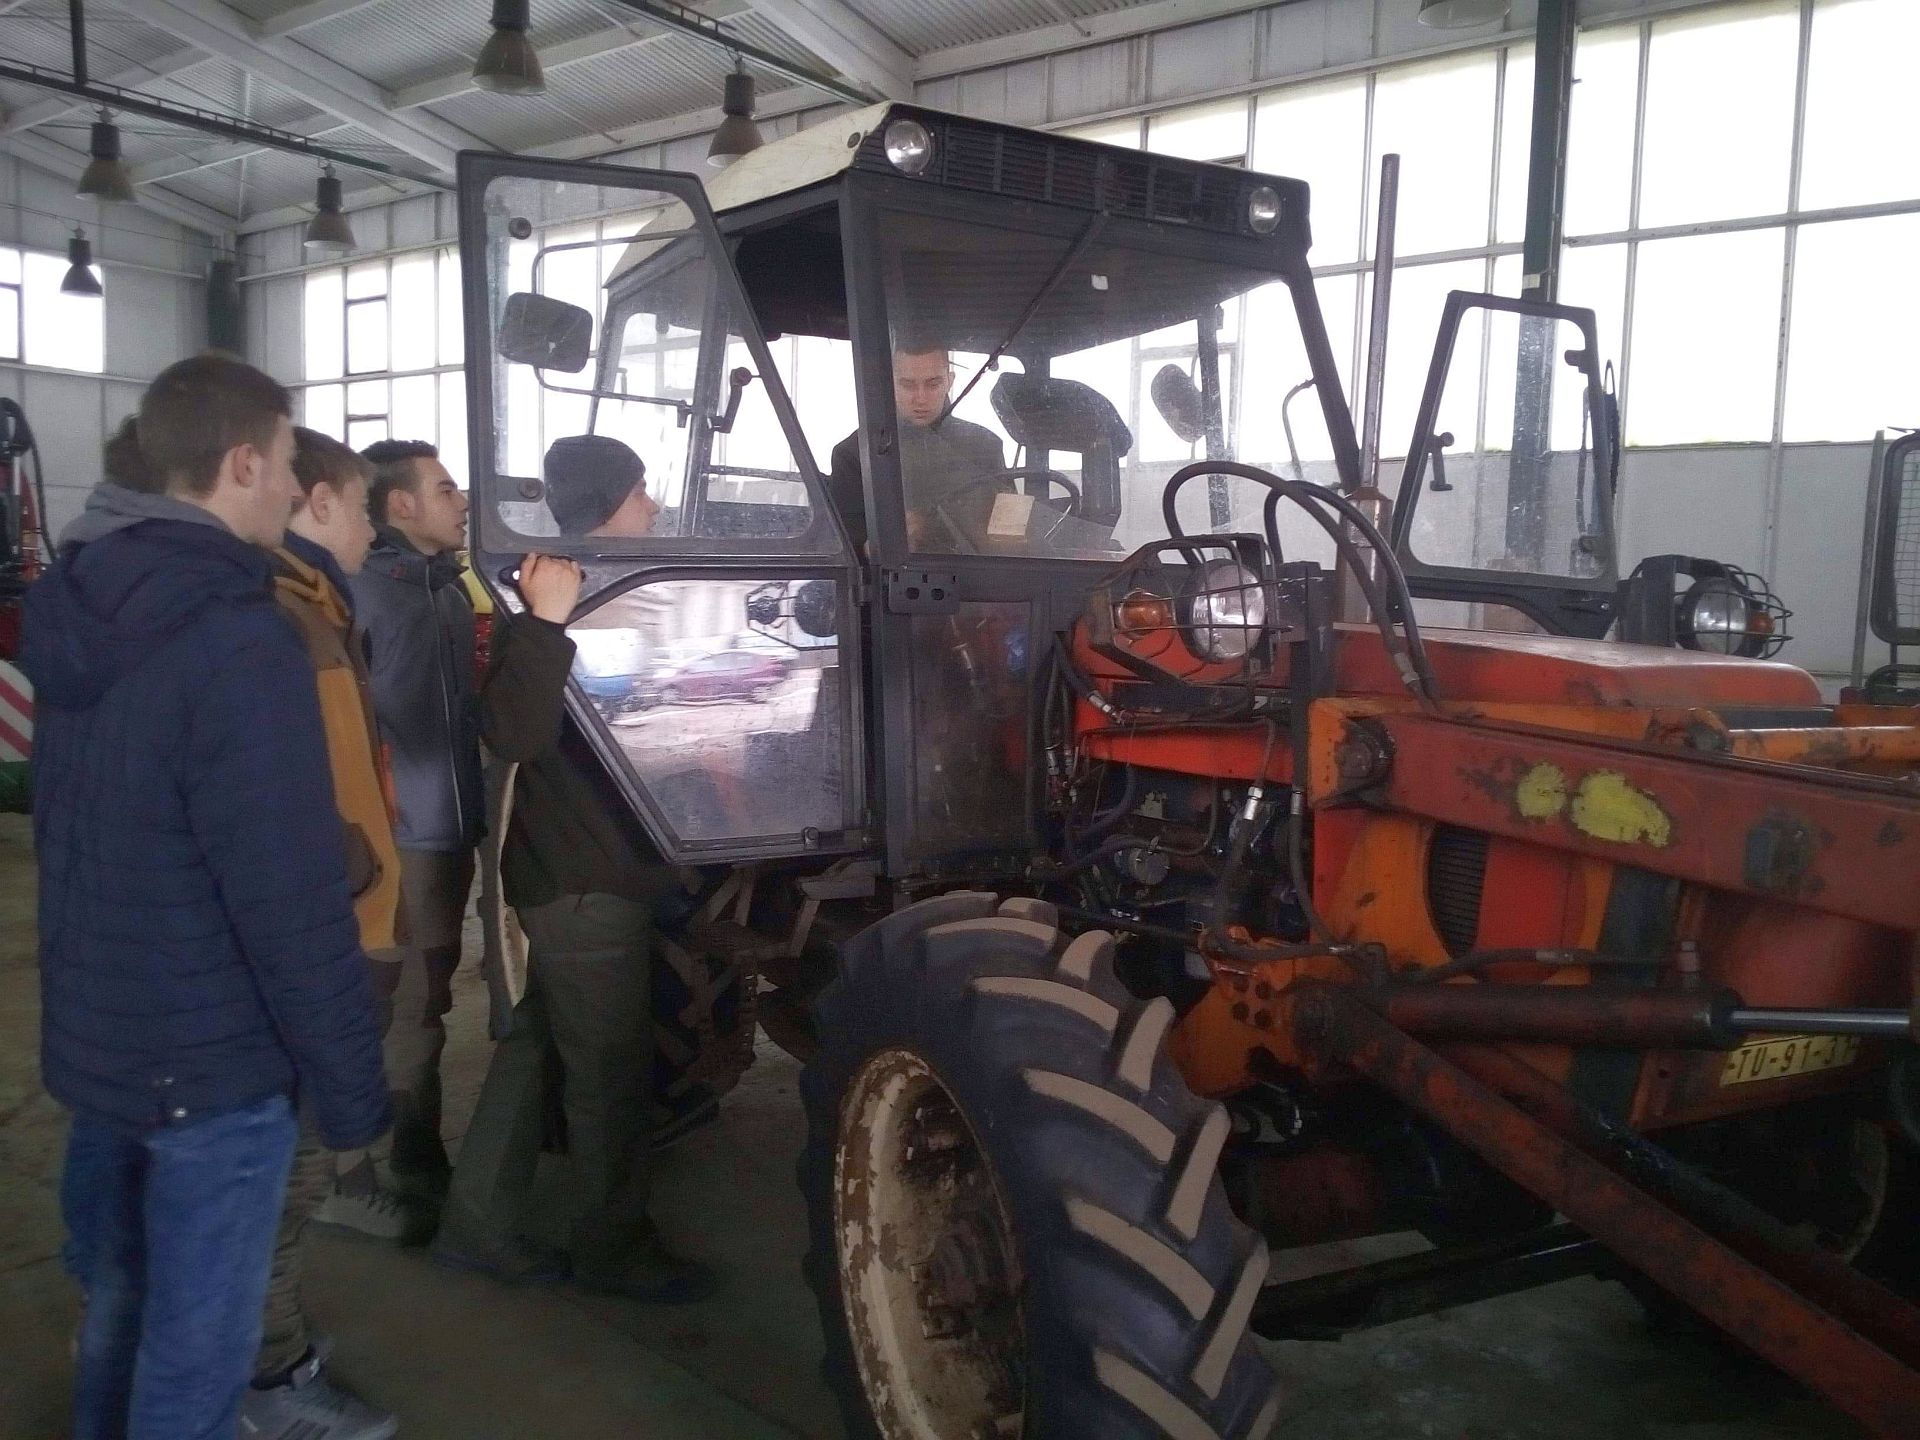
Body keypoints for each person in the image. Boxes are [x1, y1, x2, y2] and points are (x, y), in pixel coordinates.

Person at [23, 356, 389, 1440]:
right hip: (214, 1067)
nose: (291, 486)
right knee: (197, 1355)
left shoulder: (80, 607)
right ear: (241, 464)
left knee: (122, 1310)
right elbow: (287, 897)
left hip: (104, 1045)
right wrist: (350, 1089)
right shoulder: (237, 635)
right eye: (281, 461)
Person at [432, 435, 713, 1302]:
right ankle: (611, 1249)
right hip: (582, 879)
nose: (653, 507)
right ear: (606, 504)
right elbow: (512, 734)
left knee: (536, 1052)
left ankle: (476, 1227)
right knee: (609, 1079)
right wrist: (547, 620)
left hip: (589, 866)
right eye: (639, 492)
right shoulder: (551, 603)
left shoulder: (608, 592)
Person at [245, 428, 404, 1440]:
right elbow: (304, 811)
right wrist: (362, 881)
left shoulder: (315, 610)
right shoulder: (284, 624)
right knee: (277, 1183)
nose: (371, 528)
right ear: (312, 505)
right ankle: (266, 1376)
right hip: (319, 946)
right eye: (359, 505)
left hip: (327, 932)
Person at [348, 439, 483, 1217]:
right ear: (400, 504)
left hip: (451, 828)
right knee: (406, 1002)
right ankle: (402, 1158)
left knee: (429, 995)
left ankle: (406, 1143)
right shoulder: (362, 595)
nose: (462, 501)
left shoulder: (448, 591)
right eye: (446, 488)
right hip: (400, 837)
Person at [827, 344, 1007, 552]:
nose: (921, 398)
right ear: (890, 383)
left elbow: (1008, 529)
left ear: (949, 381)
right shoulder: (854, 455)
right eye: (908, 385)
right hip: (891, 573)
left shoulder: (985, 447)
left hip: (978, 570)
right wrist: (877, 546)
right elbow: (842, 550)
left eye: (933, 384)